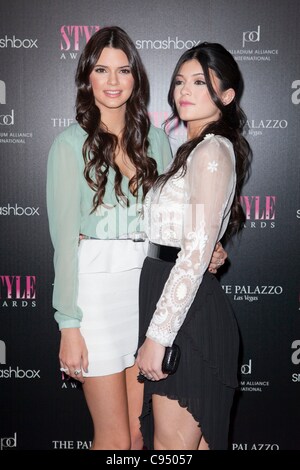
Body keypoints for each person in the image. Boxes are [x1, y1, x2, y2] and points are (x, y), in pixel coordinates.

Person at [47, 27, 227, 451]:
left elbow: (179, 218)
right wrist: (68, 326)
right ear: (86, 77)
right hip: (96, 298)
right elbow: (63, 246)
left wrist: (206, 248)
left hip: (150, 292)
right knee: (114, 439)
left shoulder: (158, 141)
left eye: (123, 70)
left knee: (140, 434)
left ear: (135, 78)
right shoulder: (68, 146)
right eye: (101, 70)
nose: (112, 82)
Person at [136, 42, 251, 450]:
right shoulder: (192, 150)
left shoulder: (212, 151)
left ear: (227, 96)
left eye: (201, 82)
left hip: (188, 322)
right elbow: (183, 236)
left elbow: (195, 252)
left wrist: (159, 335)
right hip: (176, 305)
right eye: (181, 81)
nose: (185, 90)